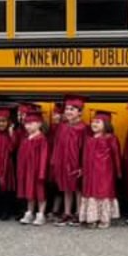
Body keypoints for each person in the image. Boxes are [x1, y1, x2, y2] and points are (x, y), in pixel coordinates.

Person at [78, 110, 122, 228]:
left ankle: (104, 218)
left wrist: (118, 171)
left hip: (104, 171)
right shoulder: (89, 139)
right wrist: (82, 168)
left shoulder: (111, 138)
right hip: (90, 172)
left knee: (103, 193)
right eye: (93, 122)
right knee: (90, 193)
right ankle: (91, 218)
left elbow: (116, 155)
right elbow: (84, 156)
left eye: (98, 122)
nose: (94, 124)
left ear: (106, 124)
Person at [51, 96, 87, 225]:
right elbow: (57, 144)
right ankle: (67, 213)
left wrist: (82, 166)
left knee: (78, 188)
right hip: (63, 162)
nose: (68, 111)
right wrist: (55, 161)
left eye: (72, 109)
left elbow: (86, 149)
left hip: (76, 163)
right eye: (67, 109)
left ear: (80, 112)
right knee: (66, 188)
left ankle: (78, 213)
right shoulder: (62, 127)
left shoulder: (83, 128)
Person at [17, 110, 49, 225]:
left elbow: (44, 157)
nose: (28, 126)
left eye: (31, 123)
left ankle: (41, 214)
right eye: (26, 124)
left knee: (40, 192)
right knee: (29, 192)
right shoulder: (26, 139)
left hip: (37, 170)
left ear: (39, 124)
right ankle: (29, 212)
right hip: (27, 171)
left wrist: (42, 172)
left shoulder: (42, 139)